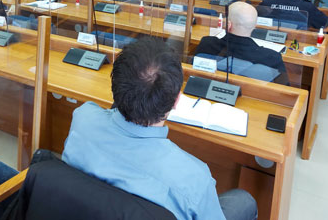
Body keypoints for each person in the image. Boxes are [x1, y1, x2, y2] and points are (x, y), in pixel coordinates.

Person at [62, 36, 257, 220]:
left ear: (115, 86)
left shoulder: (82, 118)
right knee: (243, 201)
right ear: (177, 100)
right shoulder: (196, 179)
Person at [195, 2, 287, 83]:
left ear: (228, 25)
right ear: (254, 26)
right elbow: (284, 91)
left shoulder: (207, 44)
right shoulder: (273, 58)